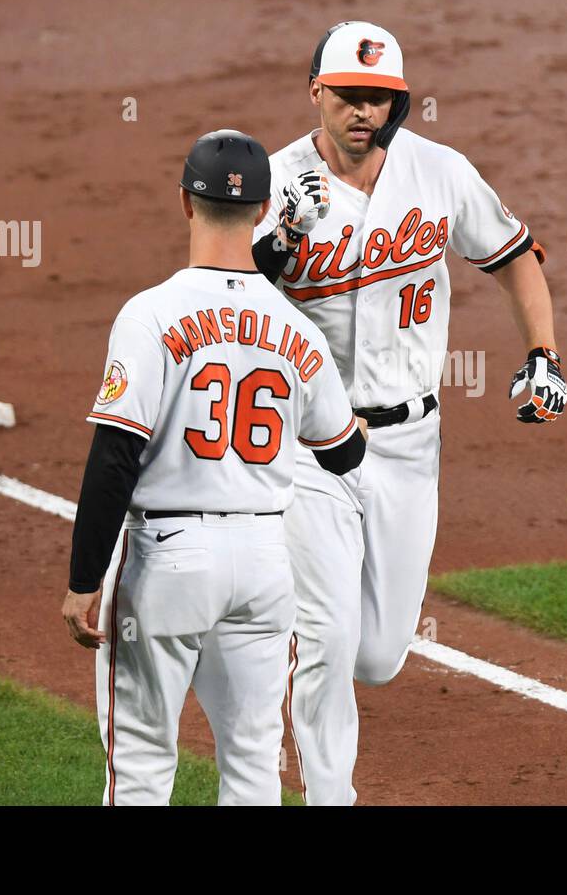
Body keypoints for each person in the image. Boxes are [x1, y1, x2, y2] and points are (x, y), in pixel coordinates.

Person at [250, 21, 567, 804]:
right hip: (310, 444)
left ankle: (275, 620)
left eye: (383, 99)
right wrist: (281, 239)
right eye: (352, 96)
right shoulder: (277, 180)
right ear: (317, 91)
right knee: (328, 639)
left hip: (409, 442)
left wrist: (544, 355)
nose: (366, 112)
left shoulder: (439, 172)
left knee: (380, 654)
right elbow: (231, 298)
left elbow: (516, 256)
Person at [61, 130, 366, 805]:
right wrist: (354, 428)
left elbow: (115, 456)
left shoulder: (150, 315)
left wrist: (84, 580)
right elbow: (343, 451)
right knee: (255, 763)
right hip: (263, 563)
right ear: (262, 212)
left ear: (184, 204)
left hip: (169, 562)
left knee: (140, 766)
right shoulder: (298, 331)